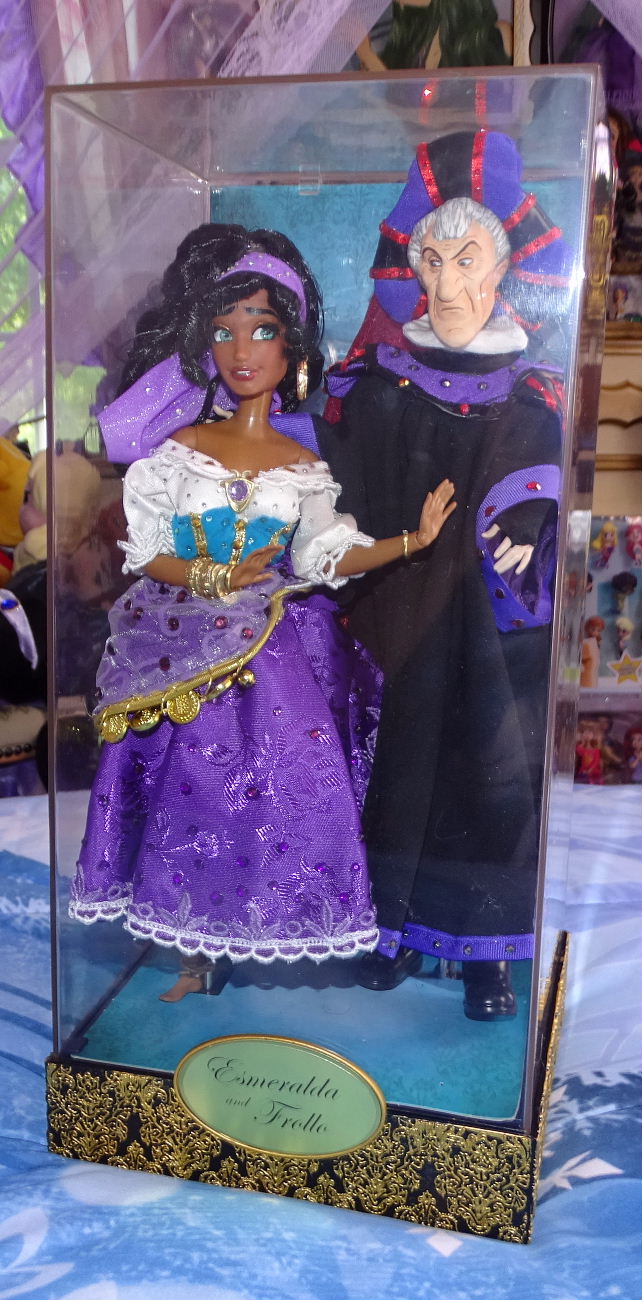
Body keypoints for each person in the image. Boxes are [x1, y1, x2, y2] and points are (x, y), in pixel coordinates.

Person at [69, 224, 455, 1002]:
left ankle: (267, 922)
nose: (242, 350)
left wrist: (410, 542)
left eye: (263, 329)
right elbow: (145, 551)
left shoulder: (303, 465)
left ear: (292, 347)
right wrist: (209, 574)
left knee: (291, 772)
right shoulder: (179, 450)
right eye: (225, 331)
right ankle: (189, 944)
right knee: (186, 790)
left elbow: (325, 554)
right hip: (178, 639)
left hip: (276, 641)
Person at [320, 131, 571, 1019]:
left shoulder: (531, 385)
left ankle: (486, 955)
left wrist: (531, 510)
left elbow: (539, 458)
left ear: (503, 269)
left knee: (494, 774)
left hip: (497, 625)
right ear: (412, 268)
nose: (449, 284)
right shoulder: (383, 377)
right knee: (404, 764)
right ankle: (391, 927)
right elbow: (348, 472)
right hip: (410, 604)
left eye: (468, 260)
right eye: (433, 260)